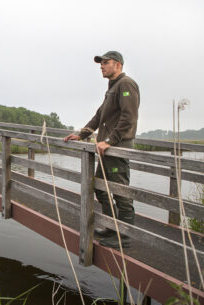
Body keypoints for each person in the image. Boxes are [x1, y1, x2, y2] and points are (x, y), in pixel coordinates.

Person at [64, 51, 140, 249]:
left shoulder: (126, 84)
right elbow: (99, 116)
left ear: (118, 65)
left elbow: (129, 117)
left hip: (118, 148)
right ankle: (111, 226)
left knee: (120, 191)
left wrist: (110, 141)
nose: (102, 66)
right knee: (100, 187)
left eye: (106, 63)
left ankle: (124, 236)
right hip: (108, 149)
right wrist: (81, 134)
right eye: (101, 63)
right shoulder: (112, 88)